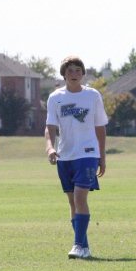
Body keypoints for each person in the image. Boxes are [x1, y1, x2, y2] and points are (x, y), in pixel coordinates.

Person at [45, 56, 108, 259]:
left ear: (83, 74)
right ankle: (84, 247)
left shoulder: (92, 96)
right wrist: (50, 148)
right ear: (63, 74)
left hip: (88, 153)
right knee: (73, 202)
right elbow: (50, 127)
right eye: (70, 70)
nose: (74, 74)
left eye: (78, 70)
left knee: (81, 197)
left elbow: (100, 127)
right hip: (65, 155)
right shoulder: (55, 98)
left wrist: (102, 156)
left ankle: (78, 245)